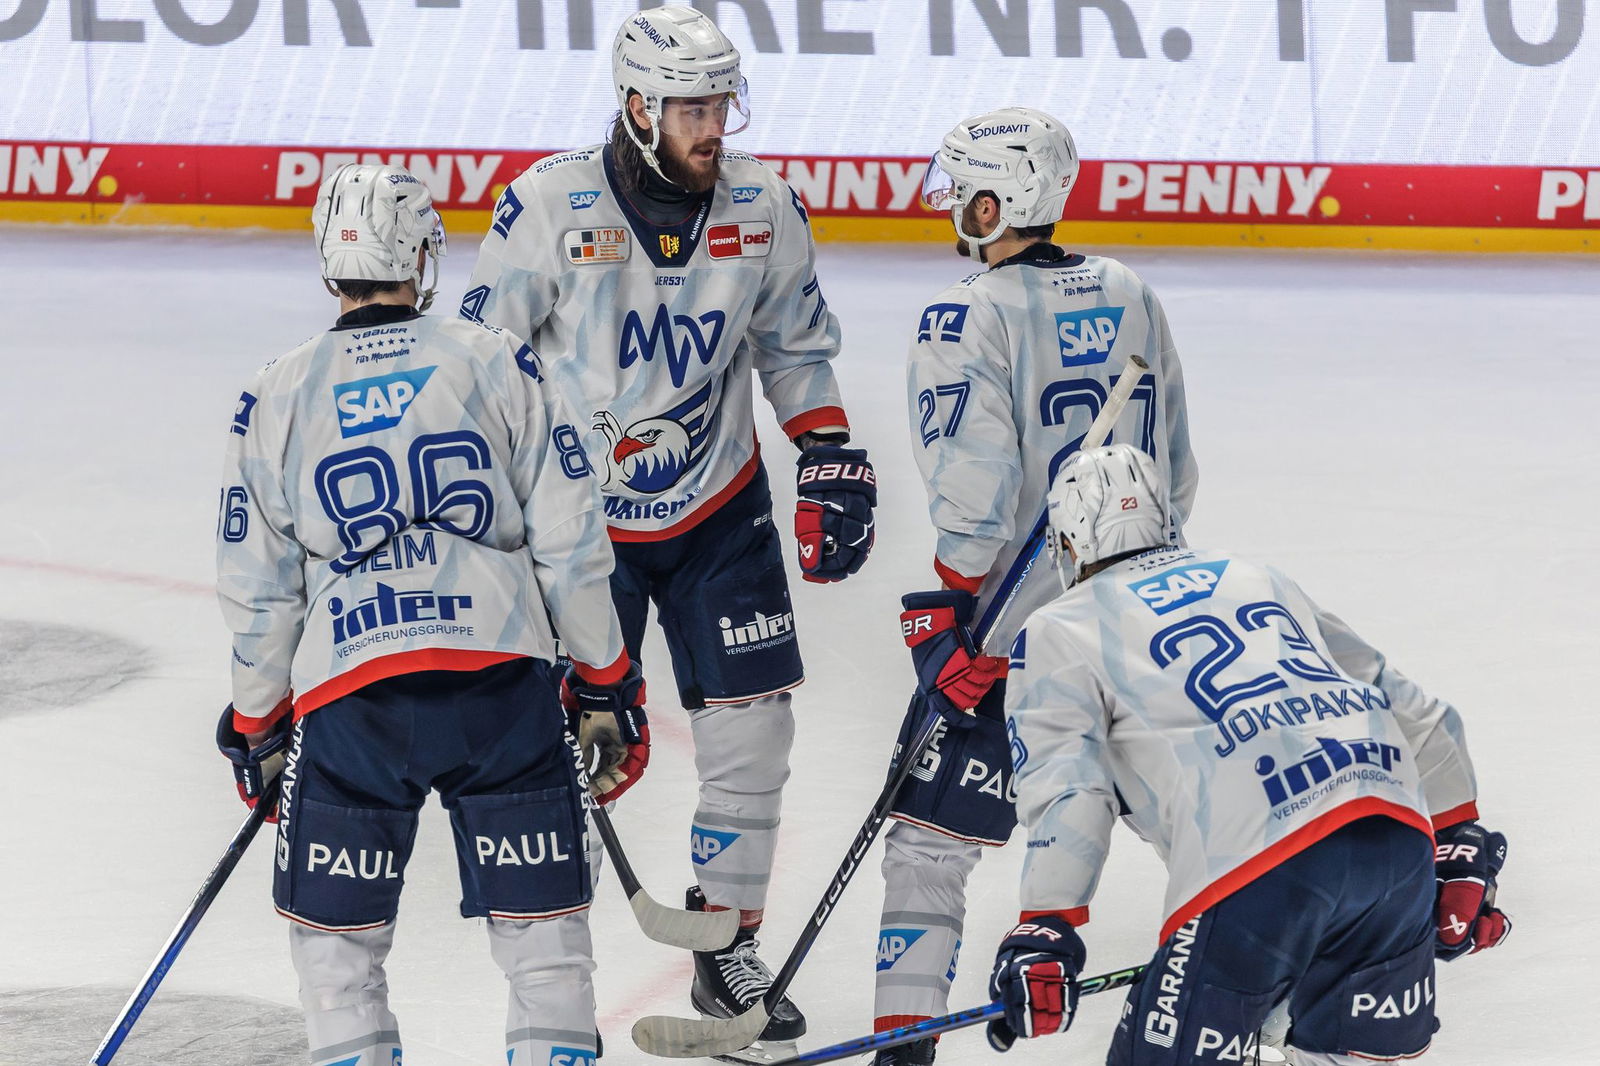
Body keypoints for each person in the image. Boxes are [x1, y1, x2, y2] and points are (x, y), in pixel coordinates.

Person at [460, 4, 876, 1049]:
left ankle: (723, 943)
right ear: (637, 106)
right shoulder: (546, 203)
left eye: (720, 103)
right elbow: (478, 368)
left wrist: (825, 447)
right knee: (565, 755)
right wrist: (484, 503)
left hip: (716, 510)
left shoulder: (764, 205)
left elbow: (793, 346)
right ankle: (556, 985)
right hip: (577, 527)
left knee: (754, 736)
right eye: (691, 106)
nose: (713, 126)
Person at [214, 163, 646, 1066]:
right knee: (547, 947)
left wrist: (257, 722)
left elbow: (260, 585)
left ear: (329, 262)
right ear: (422, 256)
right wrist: (605, 677)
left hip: (355, 702)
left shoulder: (276, 391)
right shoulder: (496, 358)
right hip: (500, 686)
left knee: (338, 958)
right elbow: (570, 537)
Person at [987, 443, 1510, 1065]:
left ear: (1067, 542)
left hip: (1254, 865)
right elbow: (1408, 705)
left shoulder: (1056, 628)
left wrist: (1048, 921)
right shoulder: (1255, 575)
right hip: (1390, 832)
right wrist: (1457, 836)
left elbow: (1070, 788)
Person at [875, 107, 1197, 1065]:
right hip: (1148, 614)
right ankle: (1247, 1003)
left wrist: (953, 616)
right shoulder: (1131, 291)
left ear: (992, 200)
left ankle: (905, 1046)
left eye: (961, 189)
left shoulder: (962, 312)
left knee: (928, 846)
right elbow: (1173, 474)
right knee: (1201, 819)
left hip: (1017, 634)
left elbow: (971, 502)